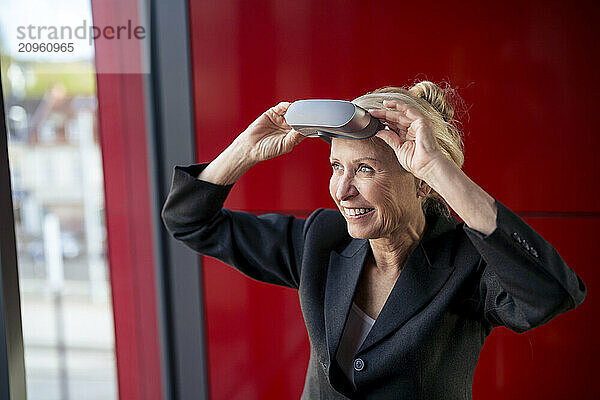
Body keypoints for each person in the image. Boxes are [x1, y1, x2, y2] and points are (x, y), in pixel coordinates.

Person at [161, 81, 586, 399]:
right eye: (335, 167)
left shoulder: (469, 265)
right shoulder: (320, 240)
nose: (342, 190)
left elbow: (552, 294)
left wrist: (440, 170)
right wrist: (244, 150)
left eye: (365, 169)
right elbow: (190, 221)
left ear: (422, 182)